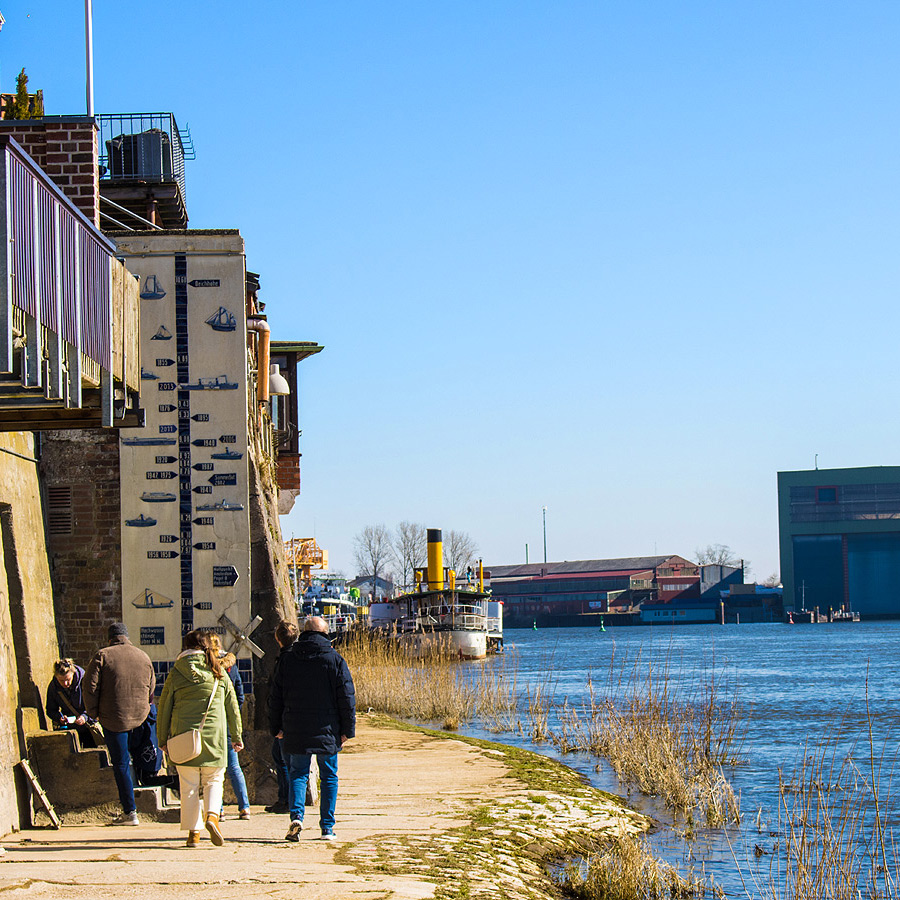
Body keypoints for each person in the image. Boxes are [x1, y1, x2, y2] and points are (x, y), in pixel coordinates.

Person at [268, 616, 356, 842]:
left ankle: (296, 817)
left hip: (295, 726)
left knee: (298, 773)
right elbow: (346, 698)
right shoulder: (335, 659)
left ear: (305, 633)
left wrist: (276, 726)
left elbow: (276, 696)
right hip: (327, 728)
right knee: (329, 776)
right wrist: (347, 729)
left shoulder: (289, 659)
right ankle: (327, 827)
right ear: (326, 634)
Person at [157, 629, 243, 848]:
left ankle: (193, 835)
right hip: (214, 737)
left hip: (183, 737)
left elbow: (164, 707)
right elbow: (232, 707)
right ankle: (212, 816)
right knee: (214, 780)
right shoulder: (218, 671)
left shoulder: (176, 672)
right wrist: (237, 736)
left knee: (189, 787)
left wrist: (162, 739)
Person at [84, 623, 156, 826]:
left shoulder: (102, 655)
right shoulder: (143, 656)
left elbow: (90, 687)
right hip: (141, 717)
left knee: (121, 764)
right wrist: (144, 707)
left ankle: (130, 812)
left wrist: (93, 714)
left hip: (113, 719)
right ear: (126, 637)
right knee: (143, 757)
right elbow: (151, 687)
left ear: (110, 638)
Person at [264, 619, 298, 814]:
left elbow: (277, 694)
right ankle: (285, 799)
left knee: (285, 761)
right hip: (290, 717)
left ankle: (286, 800)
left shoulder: (284, 660)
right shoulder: (294, 658)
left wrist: (276, 724)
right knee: (281, 758)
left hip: (284, 720)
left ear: (277, 638)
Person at [220, 651, 250, 819]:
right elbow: (240, 697)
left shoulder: (209, 667)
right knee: (234, 767)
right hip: (229, 723)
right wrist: (232, 714)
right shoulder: (232, 668)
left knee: (214, 771)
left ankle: (219, 809)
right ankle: (244, 807)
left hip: (213, 723)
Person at [46, 658, 99, 748]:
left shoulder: (85, 681)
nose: (65, 683)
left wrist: (85, 717)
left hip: (88, 727)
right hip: (71, 728)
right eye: (61, 681)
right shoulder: (54, 687)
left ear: (73, 674)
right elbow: (51, 709)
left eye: (68, 679)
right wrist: (60, 718)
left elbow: (96, 703)